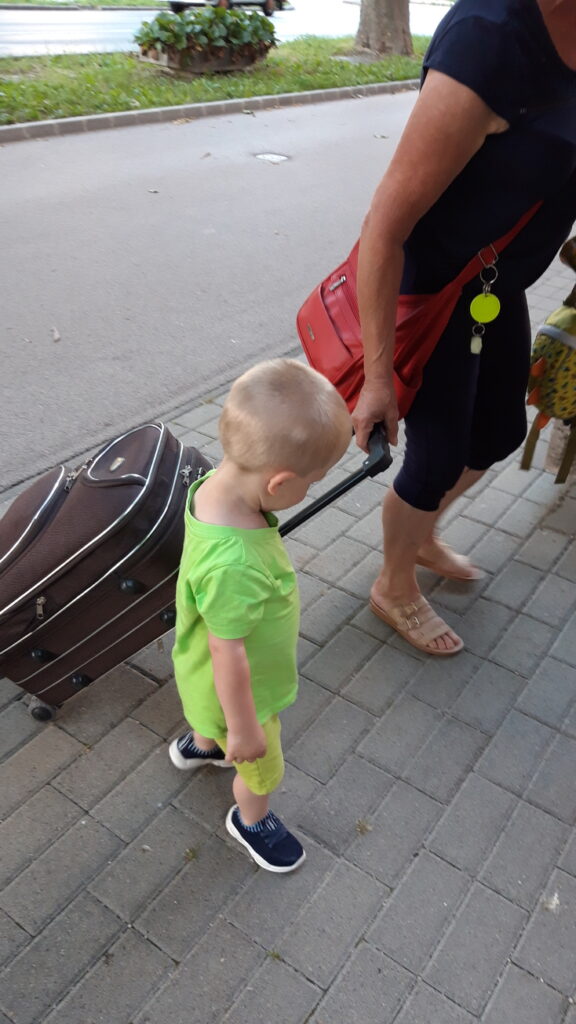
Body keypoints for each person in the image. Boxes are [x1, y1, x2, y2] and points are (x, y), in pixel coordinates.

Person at [352, 0, 576, 656]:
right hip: (434, 287)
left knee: (500, 433)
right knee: (437, 456)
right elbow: (384, 229)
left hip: (492, 287)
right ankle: (393, 583)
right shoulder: (489, 37)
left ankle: (419, 533)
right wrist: (377, 379)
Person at [169, 359, 351, 873]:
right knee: (260, 767)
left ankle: (203, 744)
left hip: (198, 670)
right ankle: (250, 820)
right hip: (242, 697)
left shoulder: (213, 487)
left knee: (205, 710)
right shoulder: (236, 564)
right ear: (279, 483)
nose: (309, 491)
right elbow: (229, 652)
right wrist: (245, 728)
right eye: (312, 483)